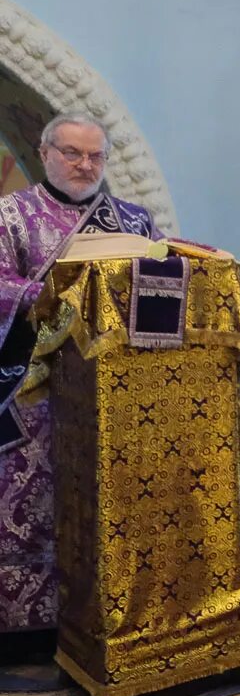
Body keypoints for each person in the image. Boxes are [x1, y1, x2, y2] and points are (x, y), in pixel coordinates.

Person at [0, 114, 159, 639]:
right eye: (71, 152)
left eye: (94, 156)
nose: (84, 165)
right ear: (44, 153)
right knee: (32, 503)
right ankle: (28, 628)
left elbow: (161, 278)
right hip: (36, 393)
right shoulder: (12, 216)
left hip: (115, 395)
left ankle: (107, 618)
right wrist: (38, 295)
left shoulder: (133, 221)